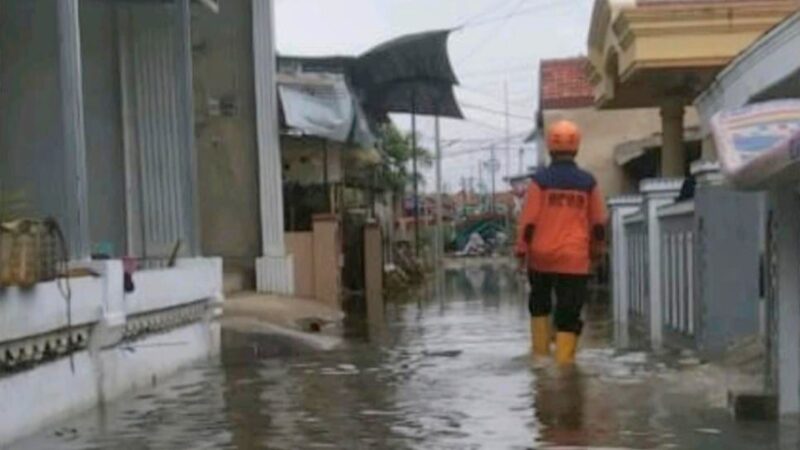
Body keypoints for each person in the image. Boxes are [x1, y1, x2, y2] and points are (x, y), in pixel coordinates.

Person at [515, 120, 607, 364]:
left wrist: (521, 253)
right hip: (574, 259)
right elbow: (598, 223)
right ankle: (564, 369)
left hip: (541, 257)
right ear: (576, 147)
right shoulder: (588, 182)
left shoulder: (539, 181)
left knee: (539, 304)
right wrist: (597, 254)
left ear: (549, 147)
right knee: (569, 313)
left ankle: (540, 358)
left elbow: (528, 223)